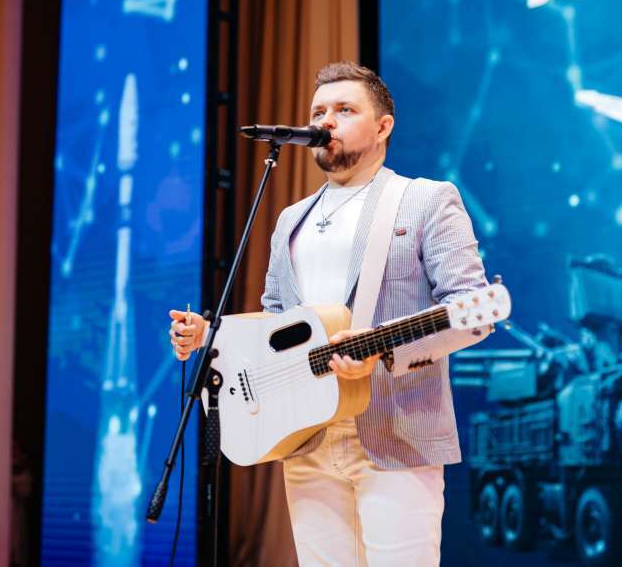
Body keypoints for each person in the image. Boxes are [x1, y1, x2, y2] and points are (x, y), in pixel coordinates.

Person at [168, 61, 490, 566]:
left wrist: (384, 353)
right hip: (307, 433)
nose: (326, 121)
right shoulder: (290, 219)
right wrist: (214, 337)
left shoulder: (426, 200)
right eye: (319, 111)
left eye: (344, 110)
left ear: (383, 127)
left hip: (395, 432)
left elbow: (471, 312)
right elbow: (275, 323)